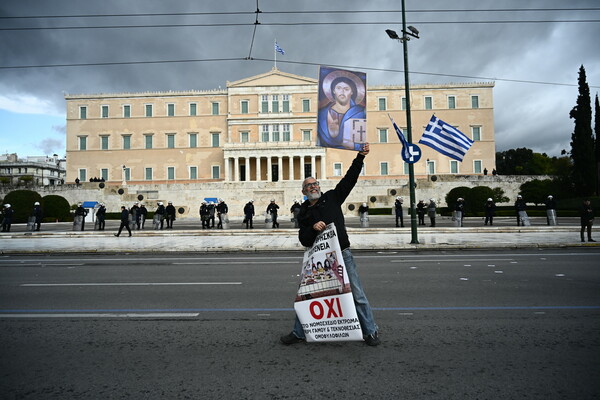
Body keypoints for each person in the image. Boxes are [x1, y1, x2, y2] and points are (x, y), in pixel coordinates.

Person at [280, 142, 380, 346]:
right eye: (308, 186)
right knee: (308, 295)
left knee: (357, 294)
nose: (313, 187)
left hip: (342, 254)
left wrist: (360, 157)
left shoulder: (333, 197)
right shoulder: (304, 212)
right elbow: (303, 239)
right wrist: (312, 229)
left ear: (319, 186)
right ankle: (299, 332)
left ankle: (370, 331)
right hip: (319, 260)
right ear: (304, 191)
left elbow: (349, 179)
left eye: (315, 184)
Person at [317, 73, 366, 151]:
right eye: (338, 88)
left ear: (352, 92)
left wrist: (355, 146)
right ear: (333, 91)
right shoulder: (322, 114)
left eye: (346, 89)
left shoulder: (360, 113)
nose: (342, 92)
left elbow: (360, 142)